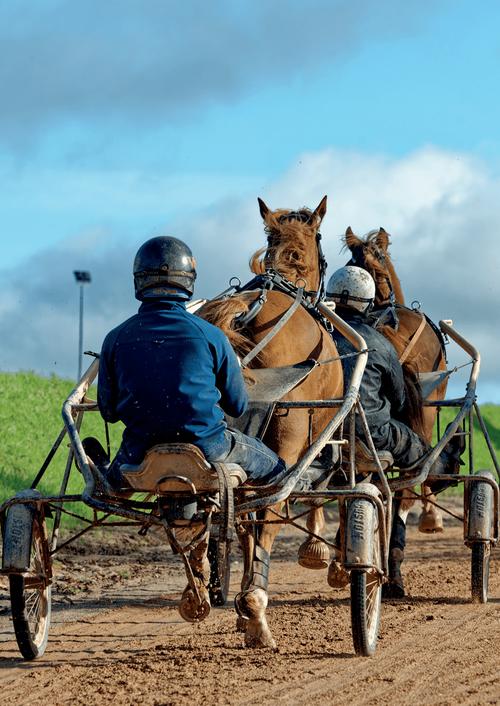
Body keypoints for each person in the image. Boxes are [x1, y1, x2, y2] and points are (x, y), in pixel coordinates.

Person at [86, 235, 286, 490]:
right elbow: (237, 406)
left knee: (110, 482)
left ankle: (105, 478)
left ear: (139, 279)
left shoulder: (114, 339)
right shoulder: (212, 336)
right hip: (209, 447)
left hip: (138, 451)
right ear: (188, 278)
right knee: (276, 467)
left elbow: (109, 412)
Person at [325, 266, 461, 476]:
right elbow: (399, 400)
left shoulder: (319, 336)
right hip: (371, 432)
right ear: (368, 302)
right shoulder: (380, 343)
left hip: (320, 432)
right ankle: (442, 471)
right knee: (410, 443)